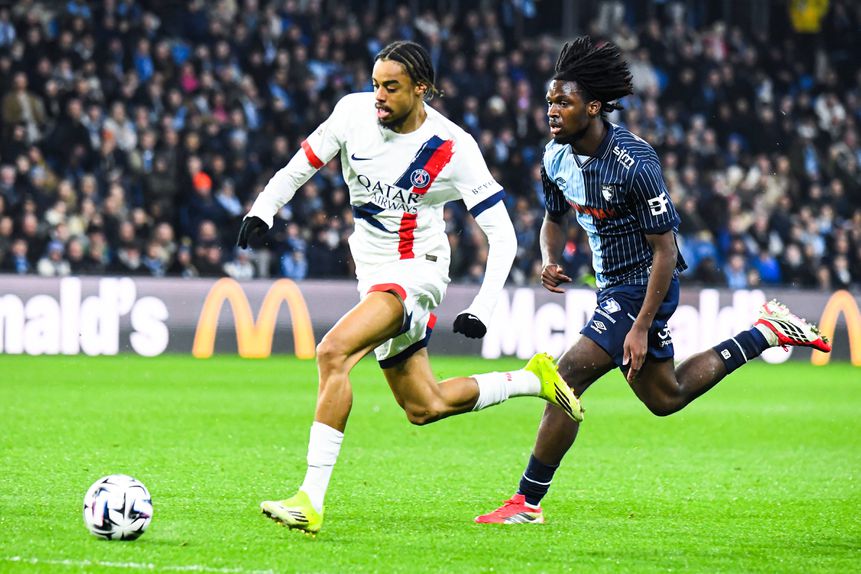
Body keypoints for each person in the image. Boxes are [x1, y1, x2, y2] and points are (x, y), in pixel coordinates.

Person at [475, 37, 832, 525]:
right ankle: (764, 333)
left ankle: (526, 503)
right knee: (667, 397)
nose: (552, 112)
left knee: (566, 376)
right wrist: (549, 257)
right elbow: (553, 217)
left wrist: (641, 325)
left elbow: (666, 251)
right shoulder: (555, 157)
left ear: (594, 106)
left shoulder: (634, 163)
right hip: (611, 286)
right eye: (550, 102)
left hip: (644, 284)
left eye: (564, 102)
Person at [236, 40, 583, 534]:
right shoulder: (352, 113)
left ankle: (309, 500)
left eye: (391, 87)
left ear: (421, 89)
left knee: (333, 353)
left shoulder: (453, 146)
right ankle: (533, 380)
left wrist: (483, 306)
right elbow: (301, 165)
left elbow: (502, 235)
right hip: (371, 274)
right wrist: (263, 209)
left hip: (416, 271)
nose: (378, 95)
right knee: (425, 405)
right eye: (376, 83)